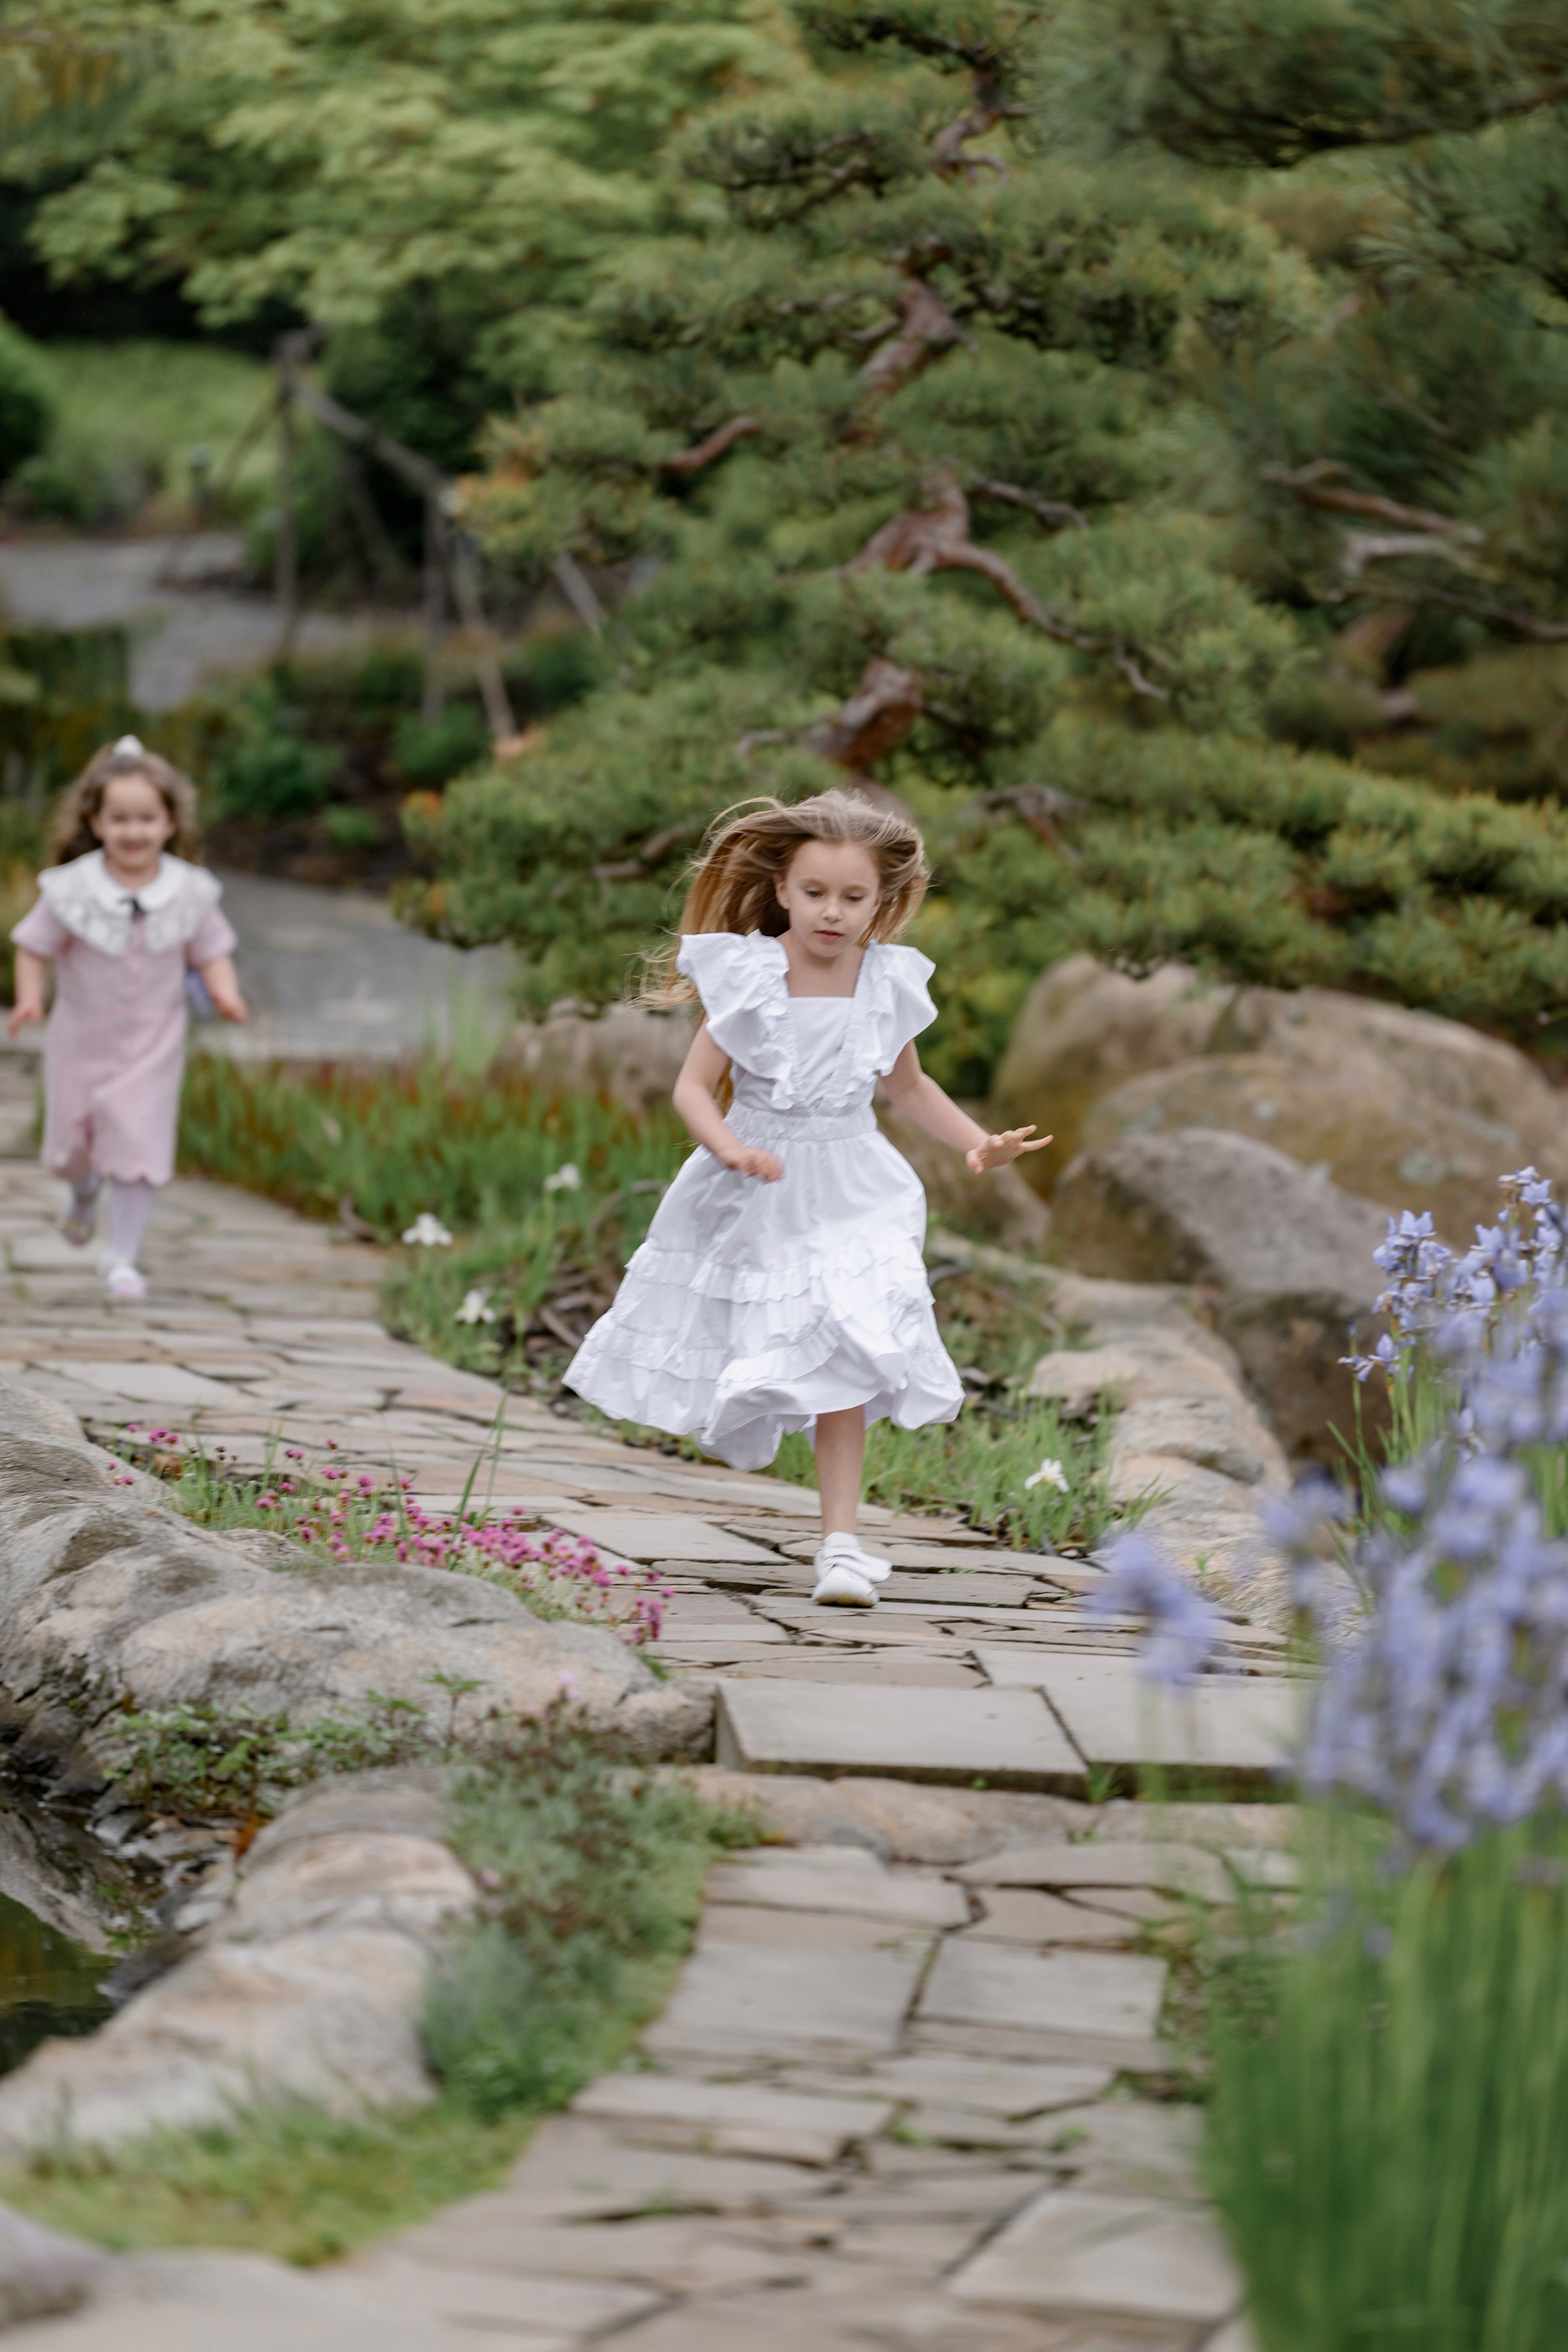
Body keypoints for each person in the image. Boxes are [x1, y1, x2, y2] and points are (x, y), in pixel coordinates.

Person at [565, 789, 1049, 1607]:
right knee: (774, 1344)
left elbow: (908, 1086)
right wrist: (727, 1147)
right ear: (782, 891)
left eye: (854, 897)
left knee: (851, 1340)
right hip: (761, 1185)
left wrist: (976, 1142)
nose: (833, 912)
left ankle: (841, 1545)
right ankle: (823, 1525)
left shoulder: (886, 980)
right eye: (815, 892)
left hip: (855, 1183)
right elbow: (692, 1087)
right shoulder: (750, 973)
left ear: (881, 902)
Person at [6, 734, 248, 1300]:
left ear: (170, 822)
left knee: (138, 1144)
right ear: (96, 821)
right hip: (79, 1043)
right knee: (72, 1147)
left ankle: (122, 1258)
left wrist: (226, 993)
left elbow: (212, 950)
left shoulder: (189, 892)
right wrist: (29, 998)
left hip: (152, 1046)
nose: (133, 831)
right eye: (119, 819)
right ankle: (83, 1191)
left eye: (146, 818)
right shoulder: (73, 889)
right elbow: (33, 946)